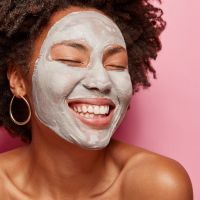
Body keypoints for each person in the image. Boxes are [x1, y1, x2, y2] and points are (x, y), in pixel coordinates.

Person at [0, 0, 193, 199]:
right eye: (71, 60)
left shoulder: (158, 186)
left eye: (116, 65)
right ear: (18, 80)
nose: (102, 82)